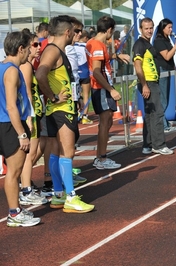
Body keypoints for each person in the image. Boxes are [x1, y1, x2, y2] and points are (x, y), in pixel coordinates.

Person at [36, 15, 94, 213]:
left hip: (57, 110)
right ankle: (70, 196)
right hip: (61, 110)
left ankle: (59, 194)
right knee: (67, 153)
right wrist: (53, 97)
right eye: (75, 31)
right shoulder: (53, 51)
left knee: (55, 152)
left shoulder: (54, 50)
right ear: (67, 32)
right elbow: (40, 74)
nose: (77, 35)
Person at [1, 31, 41, 227]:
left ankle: (15, 210)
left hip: (5, 123)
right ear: (20, 49)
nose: (30, 53)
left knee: (12, 171)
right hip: (10, 124)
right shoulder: (12, 71)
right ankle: (14, 214)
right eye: (29, 47)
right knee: (14, 172)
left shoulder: (2, 68)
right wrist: (22, 134)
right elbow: (11, 106)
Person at [86, 16, 131, 170]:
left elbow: (101, 60)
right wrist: (111, 90)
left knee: (108, 121)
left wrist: (117, 56)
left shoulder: (92, 42)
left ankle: (100, 156)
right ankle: (102, 158)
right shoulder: (98, 45)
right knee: (105, 122)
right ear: (109, 30)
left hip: (100, 87)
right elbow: (97, 72)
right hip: (101, 88)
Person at [133, 17, 174, 156]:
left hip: (151, 82)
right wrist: (144, 85)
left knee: (150, 115)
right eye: (146, 28)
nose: (149, 30)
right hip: (148, 83)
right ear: (140, 29)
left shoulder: (147, 43)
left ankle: (148, 145)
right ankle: (159, 145)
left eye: (151, 28)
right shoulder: (139, 44)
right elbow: (138, 67)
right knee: (157, 113)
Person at [18, 34, 48, 206]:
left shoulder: (29, 65)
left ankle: (25, 184)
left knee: (34, 152)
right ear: (27, 46)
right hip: (32, 114)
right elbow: (27, 93)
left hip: (35, 113)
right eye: (35, 44)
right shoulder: (26, 66)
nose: (38, 48)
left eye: (39, 44)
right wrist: (30, 116)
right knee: (31, 153)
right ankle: (26, 190)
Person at [153, 18, 176, 132]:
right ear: (162, 28)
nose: (171, 29)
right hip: (162, 71)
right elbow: (167, 56)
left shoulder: (167, 39)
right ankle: (162, 124)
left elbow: (171, 60)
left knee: (166, 99)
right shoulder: (159, 41)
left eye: (171, 27)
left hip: (168, 69)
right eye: (169, 27)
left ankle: (163, 123)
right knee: (163, 99)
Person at [74, 30, 92, 124]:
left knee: (75, 94)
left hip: (76, 73)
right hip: (85, 72)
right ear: (85, 38)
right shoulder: (87, 46)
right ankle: (85, 116)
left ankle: (76, 113)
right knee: (85, 95)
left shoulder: (72, 46)